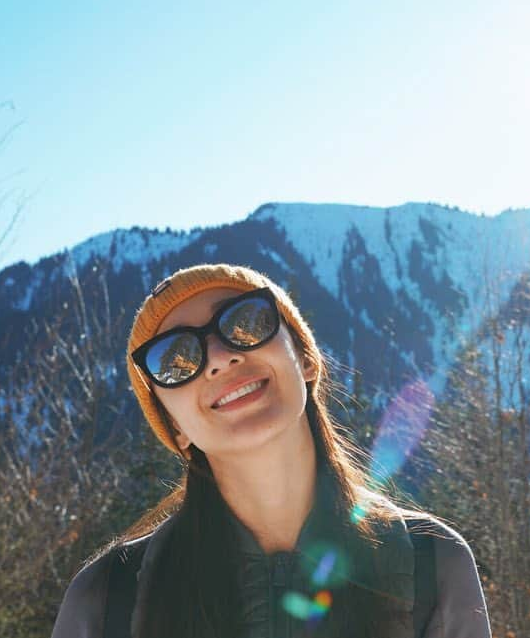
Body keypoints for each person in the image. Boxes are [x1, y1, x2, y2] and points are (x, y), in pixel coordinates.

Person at [51, 263, 491, 638]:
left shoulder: (430, 562)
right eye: (175, 359)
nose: (220, 358)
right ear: (175, 427)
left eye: (244, 323)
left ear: (304, 358)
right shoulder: (108, 597)